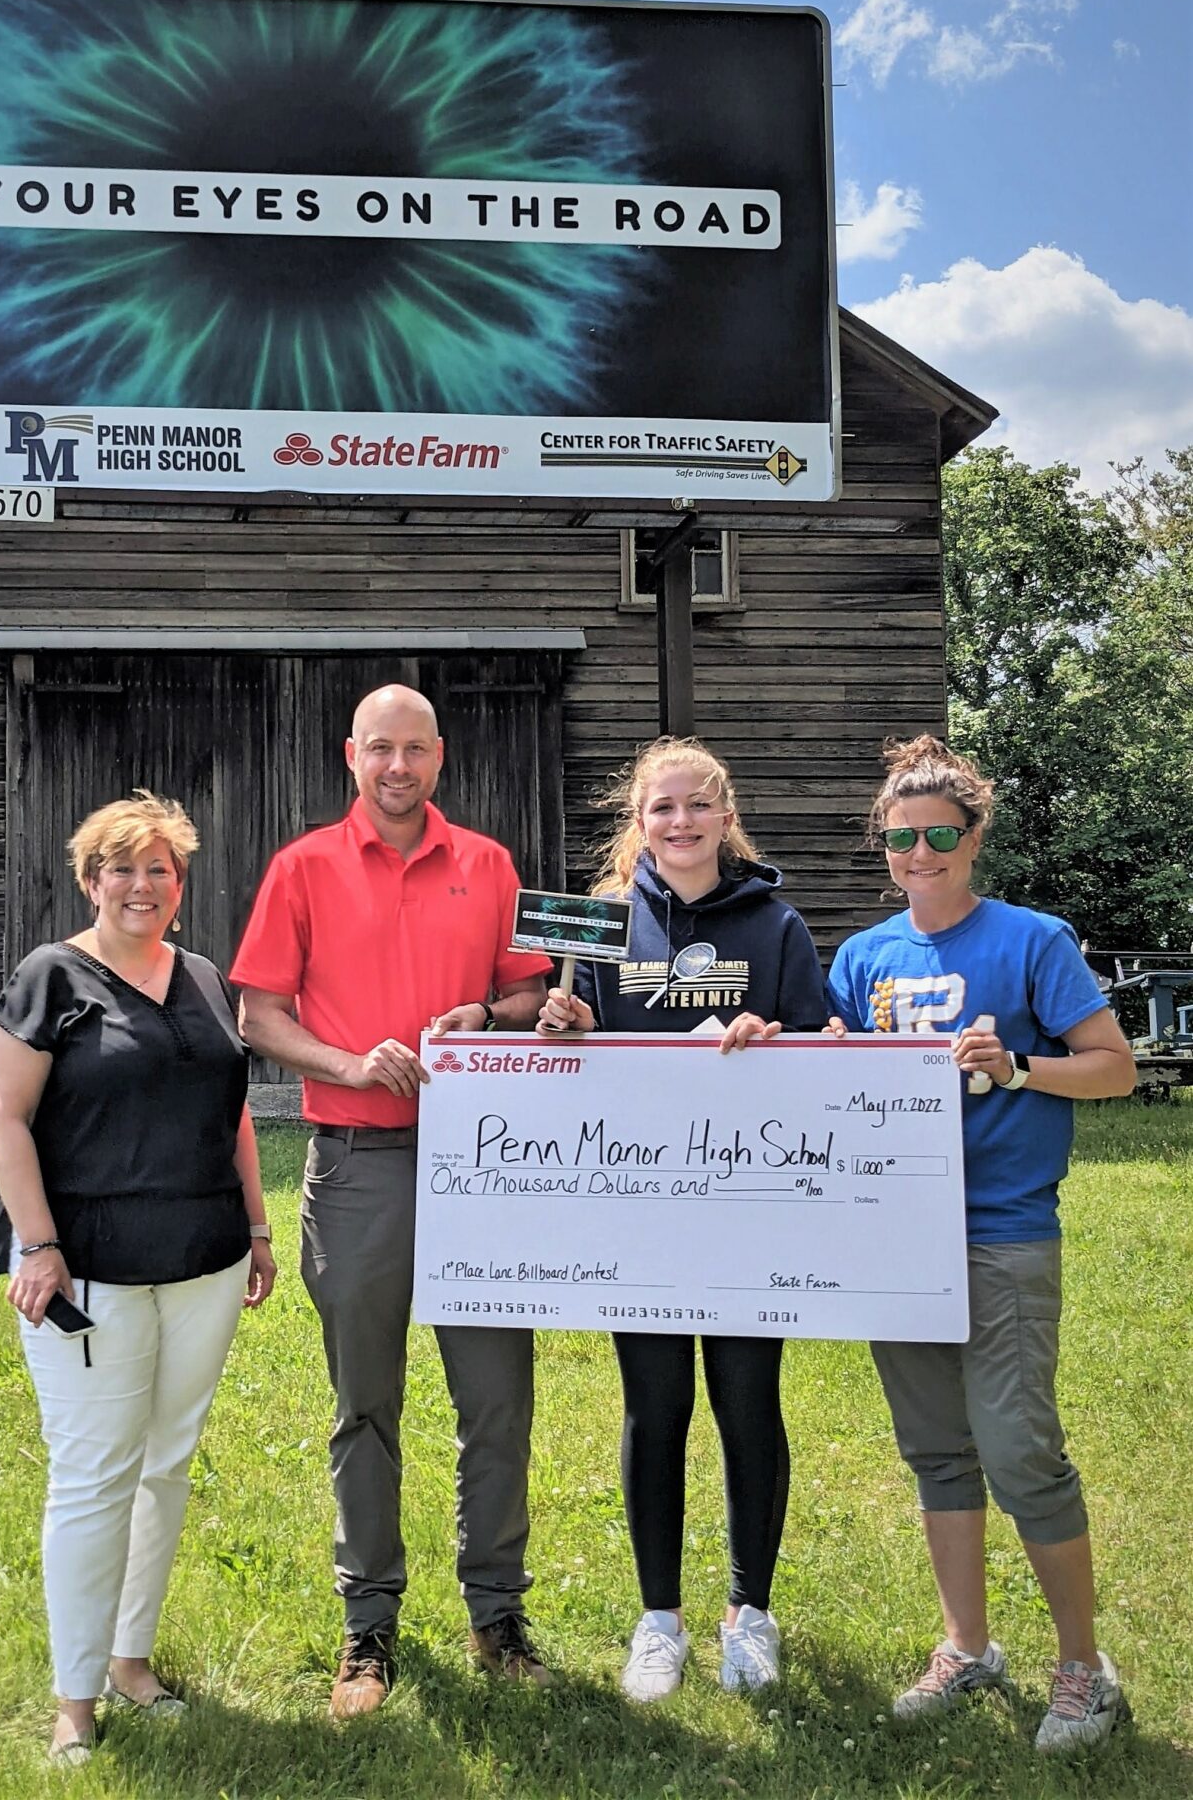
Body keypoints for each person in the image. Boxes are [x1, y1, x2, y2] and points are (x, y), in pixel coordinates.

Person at [232, 683, 552, 1717]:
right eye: (381, 748)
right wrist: (348, 1061)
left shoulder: (489, 865)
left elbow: (531, 993)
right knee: (363, 1401)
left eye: (415, 748)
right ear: (351, 755)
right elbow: (259, 1013)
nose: (398, 766)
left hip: (484, 1161)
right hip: (357, 1158)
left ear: (439, 756)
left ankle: (496, 1610)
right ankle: (367, 1625)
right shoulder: (303, 867)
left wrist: (488, 1008)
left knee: (496, 1397)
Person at [826, 735, 1136, 1755]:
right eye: (899, 836)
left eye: (938, 834)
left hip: (1000, 1229)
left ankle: (1085, 1670)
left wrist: (1016, 1068)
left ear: (972, 835)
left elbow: (1113, 1068)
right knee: (936, 1452)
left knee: (1018, 1451)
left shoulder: (1034, 938)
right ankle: (966, 1645)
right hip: (888, 1235)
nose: (919, 851)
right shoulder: (861, 957)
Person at [0, 790, 277, 1769]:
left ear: (179, 886)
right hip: (88, 1265)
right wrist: (38, 1243)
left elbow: (229, 1109)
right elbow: (3, 1115)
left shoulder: (197, 974)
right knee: (95, 1473)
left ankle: (131, 1660)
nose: (141, 884)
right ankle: (73, 1699)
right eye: (123, 867)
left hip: (202, 1259)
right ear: (90, 877)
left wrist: (259, 1226)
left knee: (165, 1461)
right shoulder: (49, 976)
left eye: (160, 869)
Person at [537, 736, 827, 1702]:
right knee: (653, 1407)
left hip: (748, 1209)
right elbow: (577, 1048)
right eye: (662, 808)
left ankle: (751, 1612)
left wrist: (774, 1034)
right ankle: (656, 1618)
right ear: (639, 823)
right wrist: (568, 1026)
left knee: (748, 1404)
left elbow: (818, 1054)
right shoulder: (605, 925)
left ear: (725, 817)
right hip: (641, 1211)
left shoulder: (777, 926)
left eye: (698, 806)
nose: (681, 823)